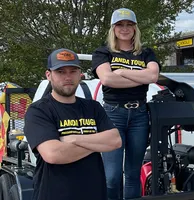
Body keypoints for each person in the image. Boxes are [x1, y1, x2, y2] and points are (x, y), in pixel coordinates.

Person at [24, 48, 122, 200]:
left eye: (72, 71)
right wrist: (97, 142)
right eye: (61, 72)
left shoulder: (93, 107)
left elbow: (115, 141)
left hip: (94, 193)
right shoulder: (39, 110)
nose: (68, 77)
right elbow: (53, 154)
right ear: (49, 75)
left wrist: (74, 139)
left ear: (80, 75)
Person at [91, 8, 161, 199]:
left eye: (129, 24)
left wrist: (121, 72)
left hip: (139, 114)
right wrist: (141, 77)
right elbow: (107, 80)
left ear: (135, 28)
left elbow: (153, 75)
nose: (124, 28)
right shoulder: (103, 52)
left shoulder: (146, 53)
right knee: (112, 176)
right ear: (113, 28)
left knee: (132, 174)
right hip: (113, 114)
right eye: (120, 25)